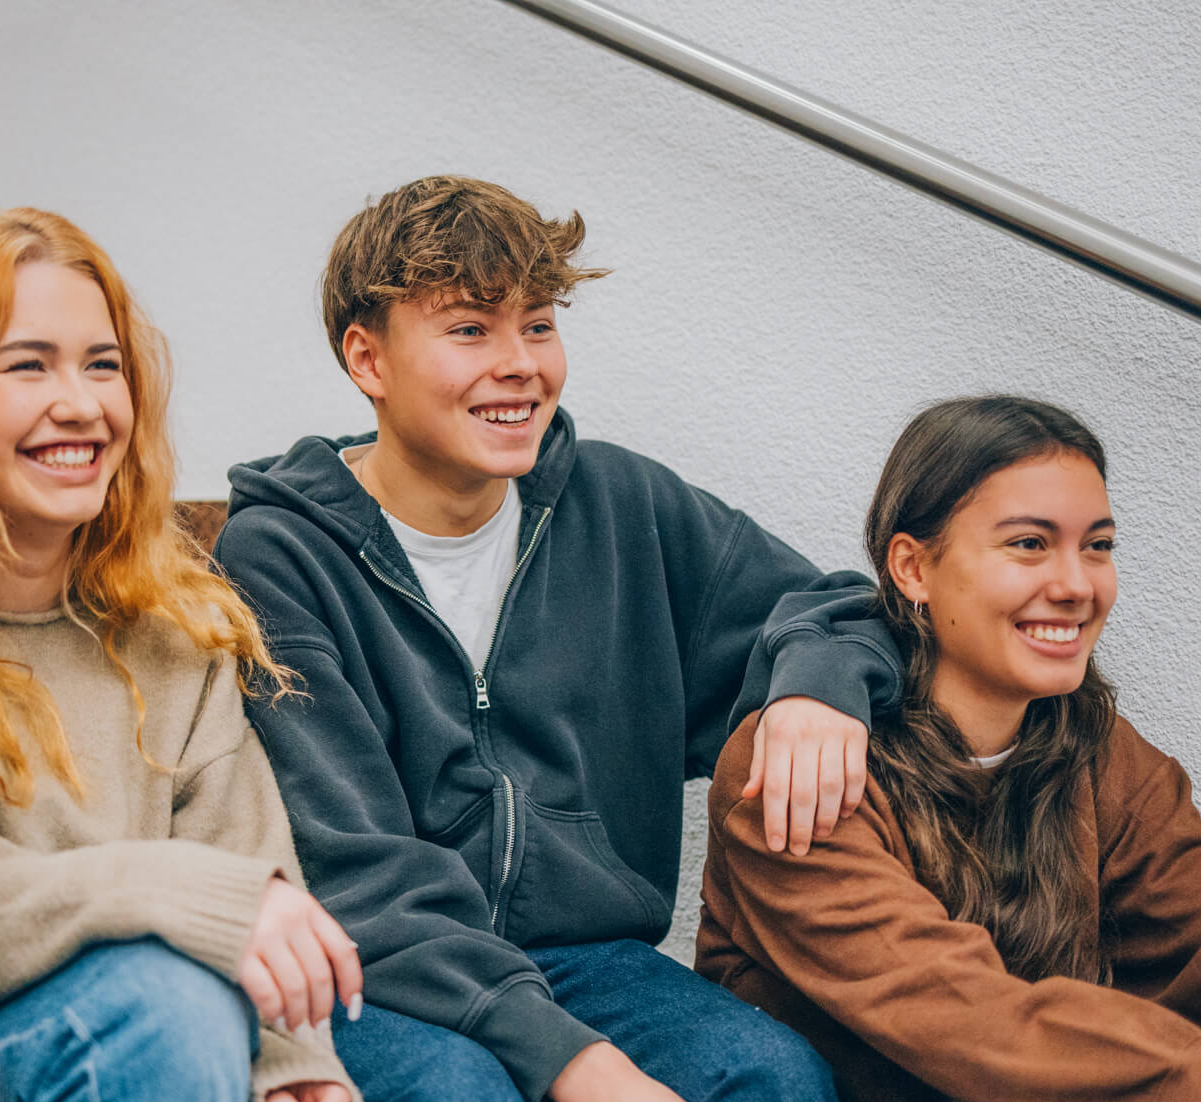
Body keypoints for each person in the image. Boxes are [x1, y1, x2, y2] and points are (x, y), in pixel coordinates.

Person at [211, 175, 903, 1102]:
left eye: (537, 324)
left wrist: (816, 685)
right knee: (461, 1094)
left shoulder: (623, 505)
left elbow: (841, 604)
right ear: (367, 359)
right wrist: (575, 1063)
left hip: (588, 959)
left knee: (774, 1077)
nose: (521, 364)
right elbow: (353, 866)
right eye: (471, 330)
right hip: (380, 965)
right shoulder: (281, 552)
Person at [698, 394, 1201, 1102]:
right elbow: (959, 1014)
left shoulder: (1089, 743)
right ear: (913, 568)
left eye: (1098, 546)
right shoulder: (800, 764)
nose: (1076, 584)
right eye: (1029, 544)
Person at [0, 206, 359, 1102]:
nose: (82, 405)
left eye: (104, 365)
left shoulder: (179, 632)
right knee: (164, 1003)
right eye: (27, 365)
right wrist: (161, 891)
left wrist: (298, 1076)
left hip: (179, 1048)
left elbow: (248, 872)